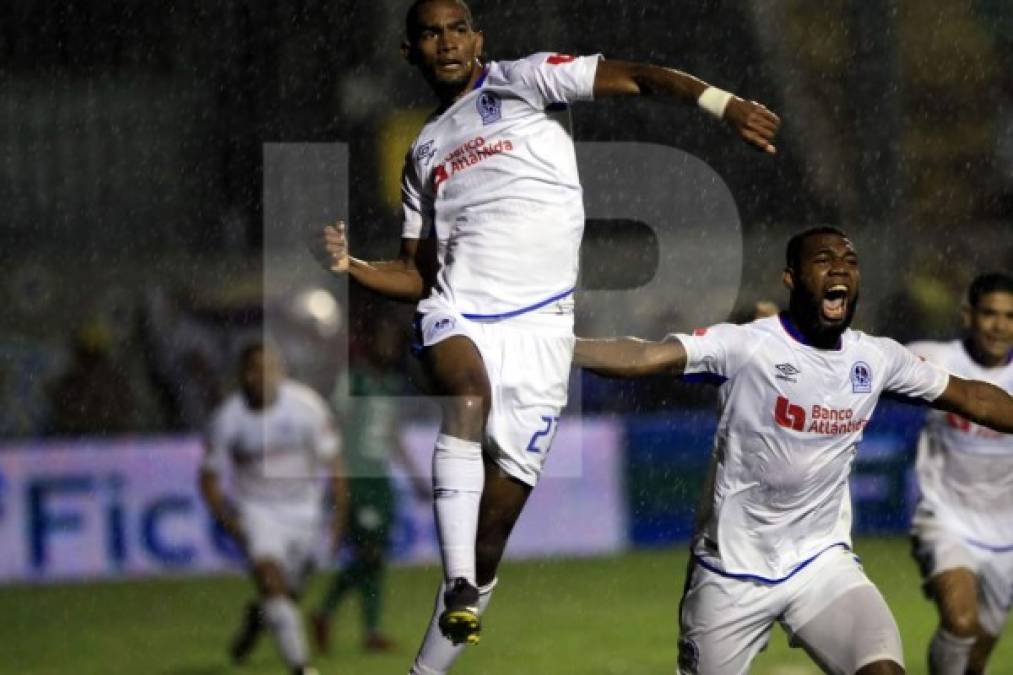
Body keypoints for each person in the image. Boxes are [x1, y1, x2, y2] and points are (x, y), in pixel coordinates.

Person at [321, 0, 780, 671]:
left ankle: (440, 635)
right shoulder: (421, 150)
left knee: (492, 539)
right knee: (466, 397)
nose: (445, 42)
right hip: (462, 310)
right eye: (429, 33)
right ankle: (454, 577)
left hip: (540, 331)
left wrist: (720, 103)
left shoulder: (524, 81)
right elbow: (417, 274)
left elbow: (639, 77)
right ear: (409, 51)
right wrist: (350, 267)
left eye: (456, 29)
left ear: (477, 38)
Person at [573, 227, 1013, 675]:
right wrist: (560, 348)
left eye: (849, 259)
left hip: (821, 566)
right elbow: (646, 356)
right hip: (732, 573)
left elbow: (973, 397)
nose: (840, 266)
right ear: (791, 278)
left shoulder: (877, 358)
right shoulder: (748, 345)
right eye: (823, 258)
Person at [198, 343, 347, 675]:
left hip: (306, 511)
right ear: (243, 375)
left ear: (281, 372)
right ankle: (301, 667)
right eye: (253, 369)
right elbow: (208, 478)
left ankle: (258, 618)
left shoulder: (306, 406)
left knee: (287, 596)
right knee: (271, 581)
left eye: (268, 368)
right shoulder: (228, 418)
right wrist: (229, 519)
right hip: (258, 512)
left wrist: (338, 519)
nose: (260, 377)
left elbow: (334, 464)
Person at [906, 272, 1013, 675]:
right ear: (968, 316)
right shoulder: (935, 359)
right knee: (960, 621)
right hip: (944, 516)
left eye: (1009, 316)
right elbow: (859, 360)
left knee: (978, 655)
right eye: (989, 314)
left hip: (1006, 532)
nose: (999, 326)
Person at [311, 317, 430, 654]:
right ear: (371, 343)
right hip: (356, 478)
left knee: (376, 557)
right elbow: (332, 427)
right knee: (369, 553)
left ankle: (371, 631)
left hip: (381, 479)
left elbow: (392, 437)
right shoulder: (354, 381)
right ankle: (326, 610)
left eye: (393, 343)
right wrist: (336, 477)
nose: (389, 348)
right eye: (383, 340)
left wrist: (415, 476)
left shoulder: (390, 384)